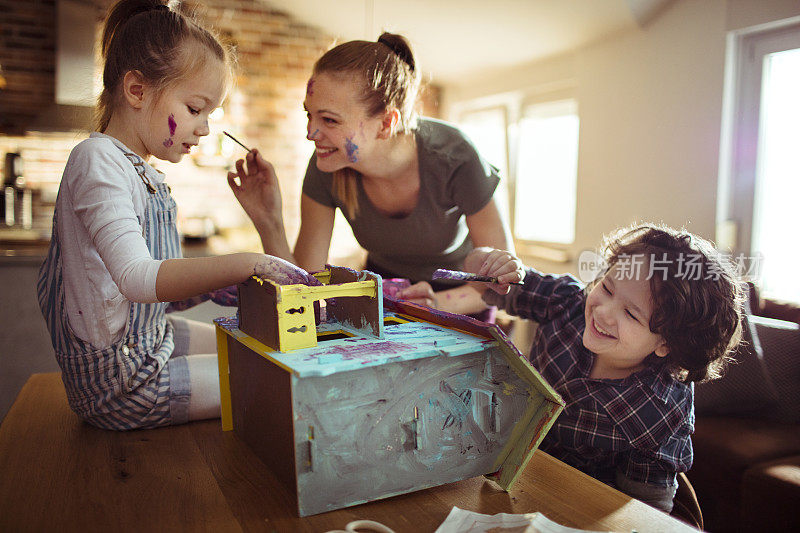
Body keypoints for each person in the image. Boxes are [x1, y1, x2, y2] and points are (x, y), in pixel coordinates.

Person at [37, 0, 317, 431]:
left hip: (150, 343)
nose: (205, 129)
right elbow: (136, 277)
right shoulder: (97, 161)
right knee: (284, 377)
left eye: (210, 114)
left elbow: (136, 294)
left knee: (273, 344)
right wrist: (245, 264)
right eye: (195, 109)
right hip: (124, 383)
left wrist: (218, 283)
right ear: (136, 90)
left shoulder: (141, 170)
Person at [456, 224, 744, 512]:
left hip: (580, 509)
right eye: (606, 288)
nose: (603, 311)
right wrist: (491, 263)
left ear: (666, 344)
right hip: (505, 469)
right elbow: (480, 278)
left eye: (630, 314)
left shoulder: (662, 410)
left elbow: (646, 512)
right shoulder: (567, 302)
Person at [228, 33, 513, 317]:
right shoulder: (327, 166)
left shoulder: (455, 156)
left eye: (329, 120)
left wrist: (433, 305)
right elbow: (306, 292)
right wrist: (269, 222)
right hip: (386, 294)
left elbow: (503, 282)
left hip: (463, 299)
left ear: (386, 123)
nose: (310, 134)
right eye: (309, 115)